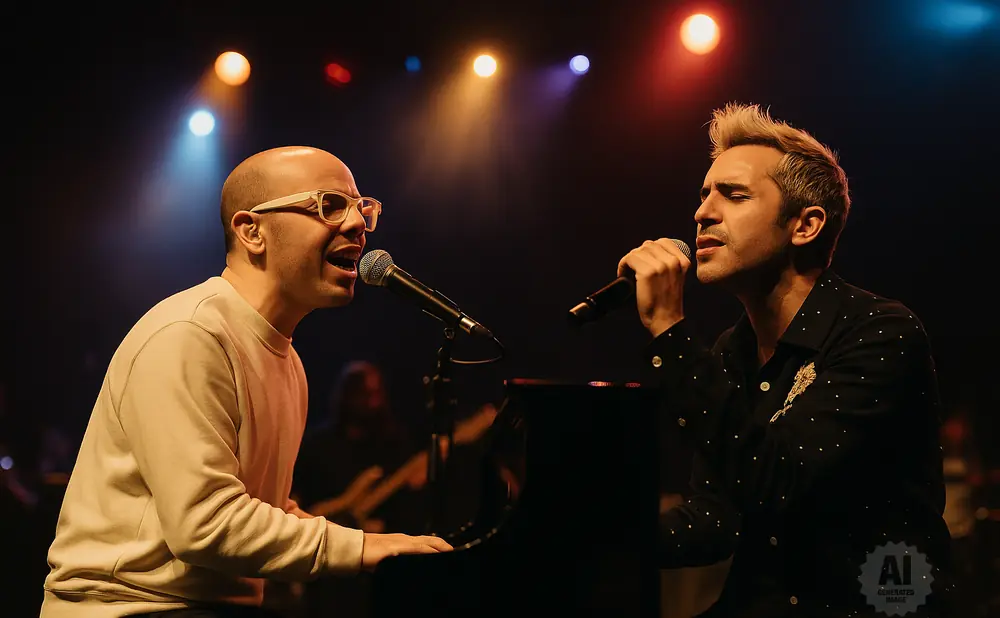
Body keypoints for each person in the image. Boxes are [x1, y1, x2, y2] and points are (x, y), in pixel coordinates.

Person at [41, 146, 452, 618]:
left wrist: (379, 544)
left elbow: (256, 509)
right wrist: (359, 548)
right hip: (131, 608)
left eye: (362, 207)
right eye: (329, 205)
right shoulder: (191, 334)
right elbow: (206, 523)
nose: (358, 224)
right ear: (251, 230)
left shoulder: (286, 359)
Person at [618, 104, 951, 616]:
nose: (702, 213)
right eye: (704, 194)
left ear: (805, 225)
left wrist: (668, 331)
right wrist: (569, 539)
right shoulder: (733, 352)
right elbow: (716, 518)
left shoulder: (878, 332)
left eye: (733, 195)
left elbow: (779, 481)